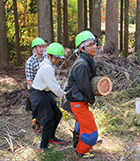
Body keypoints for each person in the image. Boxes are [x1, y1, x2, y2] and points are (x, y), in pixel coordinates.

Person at [62, 30, 98, 159]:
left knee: (82, 123)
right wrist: (91, 99)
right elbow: (84, 87)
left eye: (95, 43)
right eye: (91, 45)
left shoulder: (90, 60)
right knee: (92, 132)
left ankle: (77, 143)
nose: (95, 47)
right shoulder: (82, 65)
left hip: (81, 99)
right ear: (82, 48)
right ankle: (81, 150)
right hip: (76, 101)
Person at [26, 42, 65, 152]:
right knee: (48, 121)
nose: (57, 61)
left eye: (59, 59)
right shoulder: (47, 67)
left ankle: (51, 137)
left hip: (45, 94)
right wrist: (65, 97)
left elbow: (52, 85)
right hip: (38, 95)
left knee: (57, 114)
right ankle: (43, 147)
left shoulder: (50, 65)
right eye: (56, 58)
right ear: (49, 56)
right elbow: (55, 87)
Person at [25, 37, 47, 133]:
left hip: (45, 87)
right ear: (35, 48)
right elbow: (29, 80)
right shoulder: (30, 62)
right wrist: (37, 91)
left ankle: (45, 123)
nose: (42, 49)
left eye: (43, 47)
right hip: (35, 89)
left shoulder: (46, 58)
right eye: (40, 47)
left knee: (46, 106)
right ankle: (36, 126)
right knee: (36, 108)